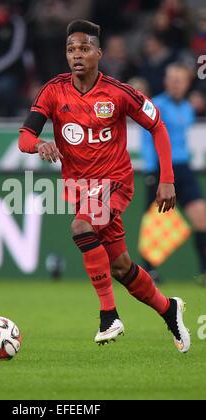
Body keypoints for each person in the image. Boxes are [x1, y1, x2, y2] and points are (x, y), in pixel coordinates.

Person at [18, 20, 190, 353]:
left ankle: (109, 315)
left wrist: (167, 178)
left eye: (84, 48)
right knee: (122, 267)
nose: (76, 55)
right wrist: (39, 144)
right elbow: (25, 136)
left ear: (99, 53)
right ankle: (169, 309)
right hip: (80, 191)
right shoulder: (53, 91)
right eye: (71, 49)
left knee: (82, 227)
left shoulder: (118, 93)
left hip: (116, 183)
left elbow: (157, 126)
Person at [141, 63, 206, 284]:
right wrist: (151, 170)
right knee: (153, 221)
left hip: (183, 167)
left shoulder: (188, 108)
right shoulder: (155, 105)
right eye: (172, 79)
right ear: (166, 82)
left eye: (180, 80)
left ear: (187, 83)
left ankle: (204, 271)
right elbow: (147, 140)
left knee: (201, 217)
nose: (176, 84)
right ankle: (149, 271)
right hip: (159, 168)